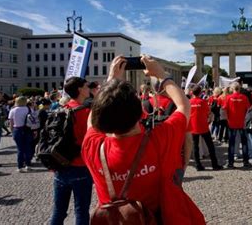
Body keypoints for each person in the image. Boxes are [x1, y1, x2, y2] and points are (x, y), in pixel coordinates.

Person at [82, 55, 193, 216]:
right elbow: (184, 105)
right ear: (140, 113)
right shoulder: (159, 139)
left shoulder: (92, 146)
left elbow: (92, 121)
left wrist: (111, 81)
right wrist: (162, 75)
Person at [50, 77, 93, 225]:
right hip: (80, 166)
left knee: (58, 211)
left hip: (60, 165)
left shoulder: (61, 109)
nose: (89, 89)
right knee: (81, 211)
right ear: (80, 90)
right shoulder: (87, 112)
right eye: (87, 86)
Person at [189, 85, 223, 171]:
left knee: (195, 147)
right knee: (210, 146)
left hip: (193, 127)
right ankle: (214, 165)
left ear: (192, 93)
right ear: (200, 92)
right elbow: (208, 113)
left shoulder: (189, 102)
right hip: (203, 126)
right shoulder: (203, 102)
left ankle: (198, 165)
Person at [224, 82, 251, 168]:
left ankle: (231, 163)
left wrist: (227, 119)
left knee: (232, 143)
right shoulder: (244, 97)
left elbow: (223, 109)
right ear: (239, 88)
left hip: (231, 123)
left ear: (232, 89)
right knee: (244, 143)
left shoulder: (228, 98)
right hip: (242, 123)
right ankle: (246, 162)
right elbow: (248, 110)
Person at [8, 96, 34, 172]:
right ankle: (28, 165)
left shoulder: (13, 110)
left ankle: (20, 166)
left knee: (20, 149)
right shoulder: (29, 109)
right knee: (28, 148)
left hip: (17, 129)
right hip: (27, 129)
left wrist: (12, 131)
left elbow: (11, 123)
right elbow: (33, 120)